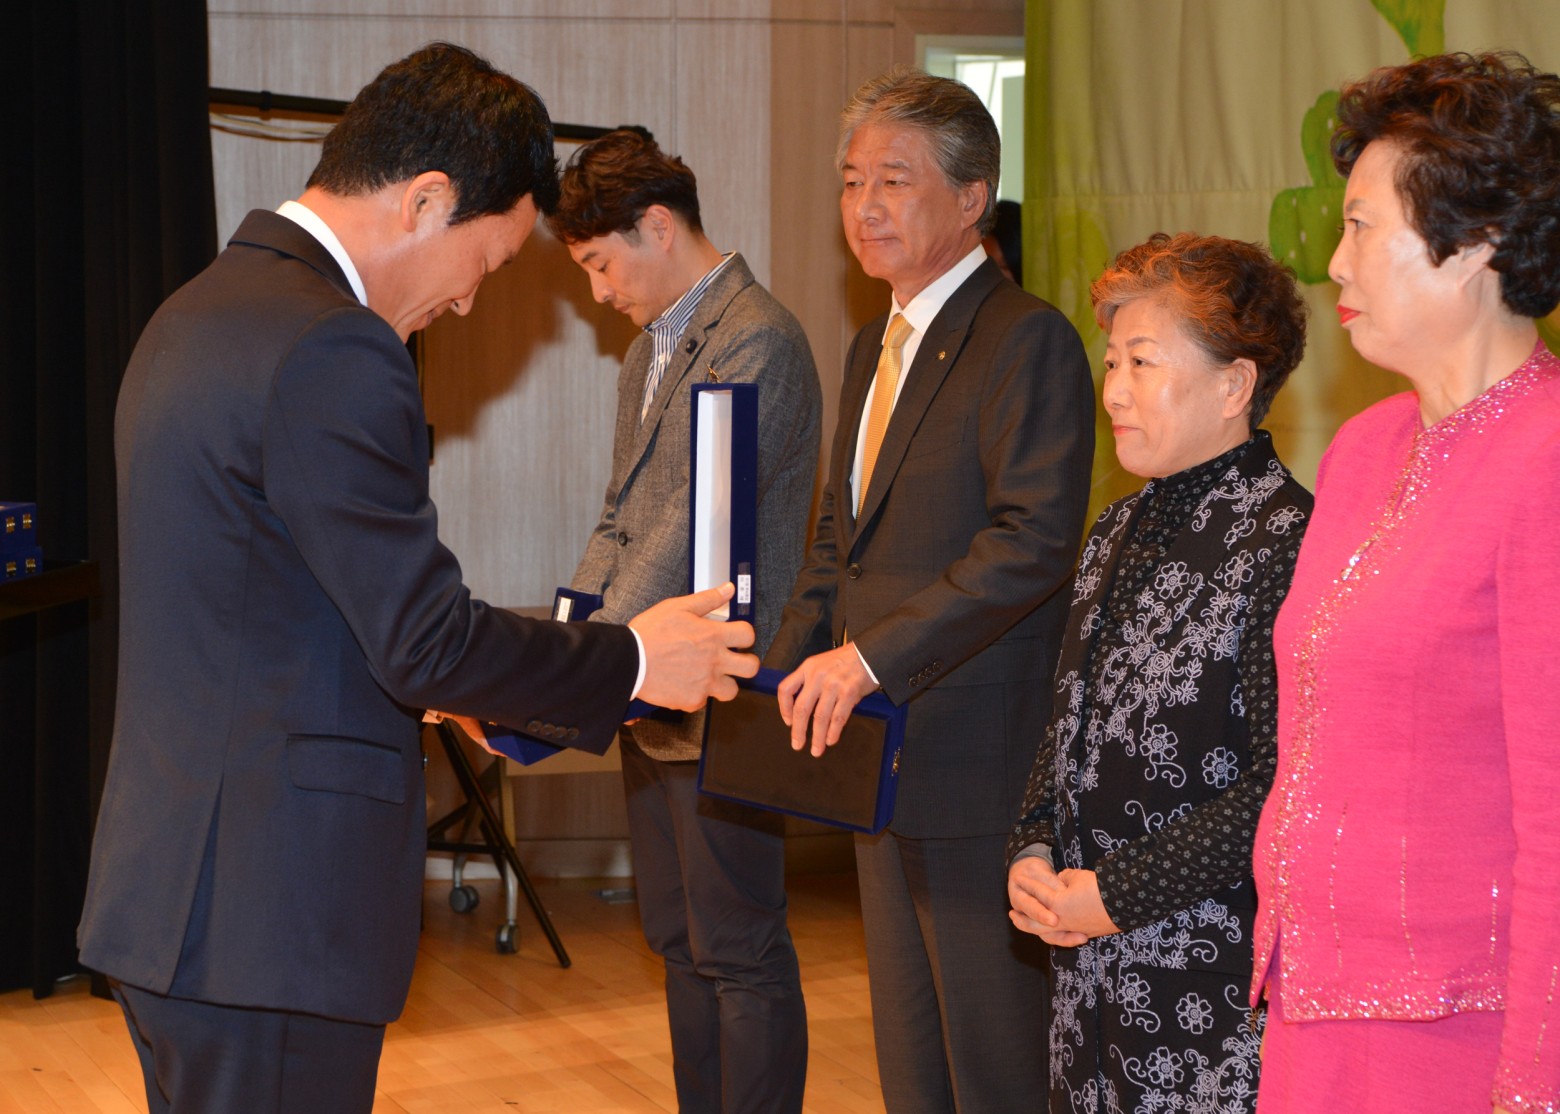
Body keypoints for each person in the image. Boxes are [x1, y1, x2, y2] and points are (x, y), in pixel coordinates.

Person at [77, 43, 758, 1114]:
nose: (471, 303)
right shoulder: (334, 348)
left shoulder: (200, 310)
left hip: (182, 897)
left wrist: (458, 687)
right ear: (426, 200)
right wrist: (635, 660)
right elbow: (423, 638)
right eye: (486, 262)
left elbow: (268, 603)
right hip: (273, 918)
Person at [768, 66, 1096, 1113]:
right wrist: (773, 671)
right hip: (876, 752)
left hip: (974, 757)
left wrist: (868, 658)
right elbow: (841, 542)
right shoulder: (874, 342)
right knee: (910, 1058)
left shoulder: (1026, 337)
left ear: (971, 197)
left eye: (894, 180)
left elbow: (1032, 541)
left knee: (993, 1061)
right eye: (851, 181)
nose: (865, 206)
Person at [1251, 51, 1560, 1114]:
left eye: (1361, 226)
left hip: (1463, 1027)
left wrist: (1536, 1079)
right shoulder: (1363, 449)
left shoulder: (1546, 459)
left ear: (1474, 243)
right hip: (1313, 1001)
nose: (1333, 263)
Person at [546, 129, 821, 1114]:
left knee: (738, 945)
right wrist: (575, 646)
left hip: (723, 686)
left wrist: (584, 666)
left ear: (657, 227)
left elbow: (687, 529)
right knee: (676, 936)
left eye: (600, 263)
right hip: (650, 683)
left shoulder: (757, 338)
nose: (597, 291)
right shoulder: (646, 353)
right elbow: (619, 520)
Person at [1006, 232, 1312, 1113]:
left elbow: (1282, 783)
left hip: (1210, 979)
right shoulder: (1112, 530)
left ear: (1234, 385)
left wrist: (1116, 894)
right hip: (1086, 970)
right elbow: (1068, 721)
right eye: (1112, 361)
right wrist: (1032, 845)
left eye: (1142, 362)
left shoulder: (1287, 540)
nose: (1113, 390)